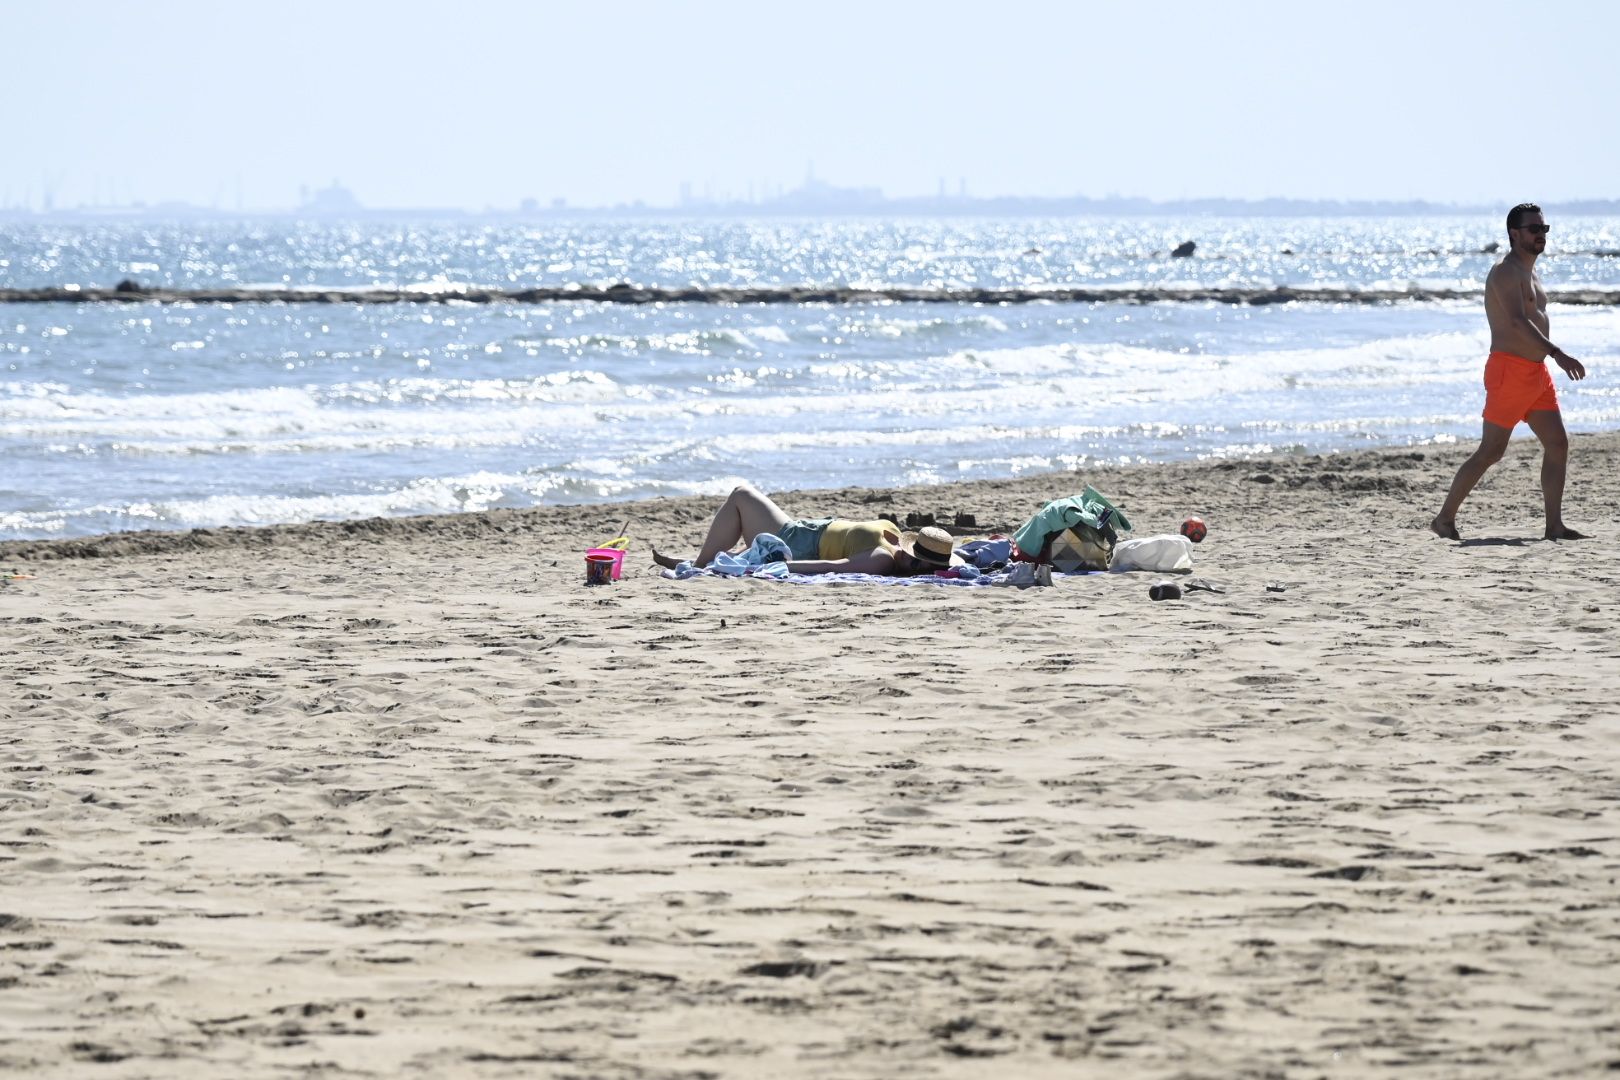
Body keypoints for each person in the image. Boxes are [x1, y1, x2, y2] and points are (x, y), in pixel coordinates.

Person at [1431, 203, 1589, 541]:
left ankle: (1554, 526)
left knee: (1558, 443)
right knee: (1491, 451)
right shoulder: (1505, 272)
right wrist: (1558, 354)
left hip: (1535, 373)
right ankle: (1444, 519)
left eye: (1544, 229)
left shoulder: (1532, 274)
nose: (1540, 235)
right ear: (1514, 234)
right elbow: (1518, 323)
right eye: (1534, 229)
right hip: (1510, 371)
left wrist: (1546, 358)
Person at [652, 481, 956, 575]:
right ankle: (700, 562)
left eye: (915, 564)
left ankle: (698, 565)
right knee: (741, 497)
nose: (909, 559)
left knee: (741, 496)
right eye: (914, 553)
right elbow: (956, 559)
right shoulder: (898, 545)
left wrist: (777, 567)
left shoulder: (883, 559)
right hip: (801, 529)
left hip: (795, 542)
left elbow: (830, 566)